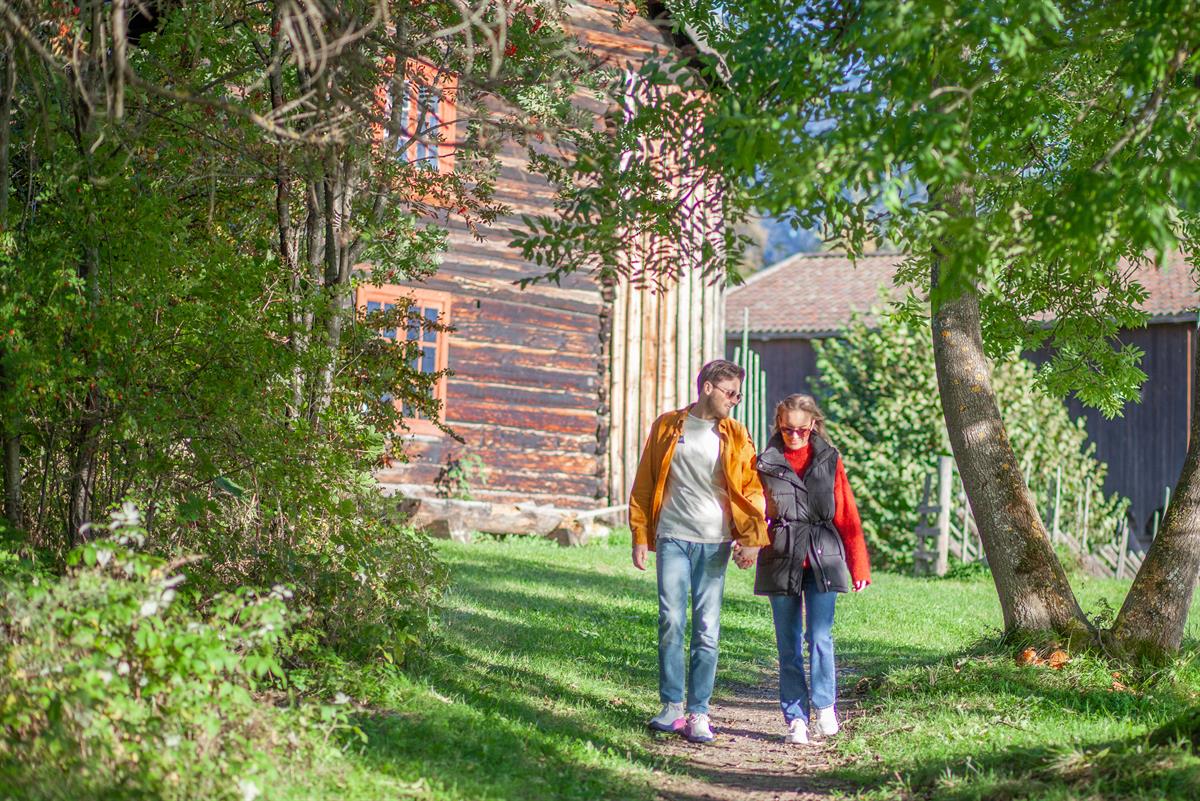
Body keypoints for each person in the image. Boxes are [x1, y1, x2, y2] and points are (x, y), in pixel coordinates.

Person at [629, 359, 769, 744]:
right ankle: (672, 706)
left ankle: (699, 712)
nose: (735, 401)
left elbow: (752, 488)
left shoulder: (736, 434)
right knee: (671, 619)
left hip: (715, 542)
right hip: (673, 535)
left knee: (707, 627)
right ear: (708, 387)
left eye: (739, 394)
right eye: (731, 393)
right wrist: (640, 535)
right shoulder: (667, 426)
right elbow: (645, 483)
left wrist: (752, 539)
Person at [742, 393, 870, 744]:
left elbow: (846, 512)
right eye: (787, 429)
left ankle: (826, 707)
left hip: (823, 555)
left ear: (813, 424)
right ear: (778, 426)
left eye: (801, 429)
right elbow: (754, 509)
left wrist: (859, 564)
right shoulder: (764, 461)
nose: (794, 435)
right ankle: (796, 718)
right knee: (788, 644)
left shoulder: (829, 458)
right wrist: (748, 543)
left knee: (820, 636)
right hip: (780, 554)